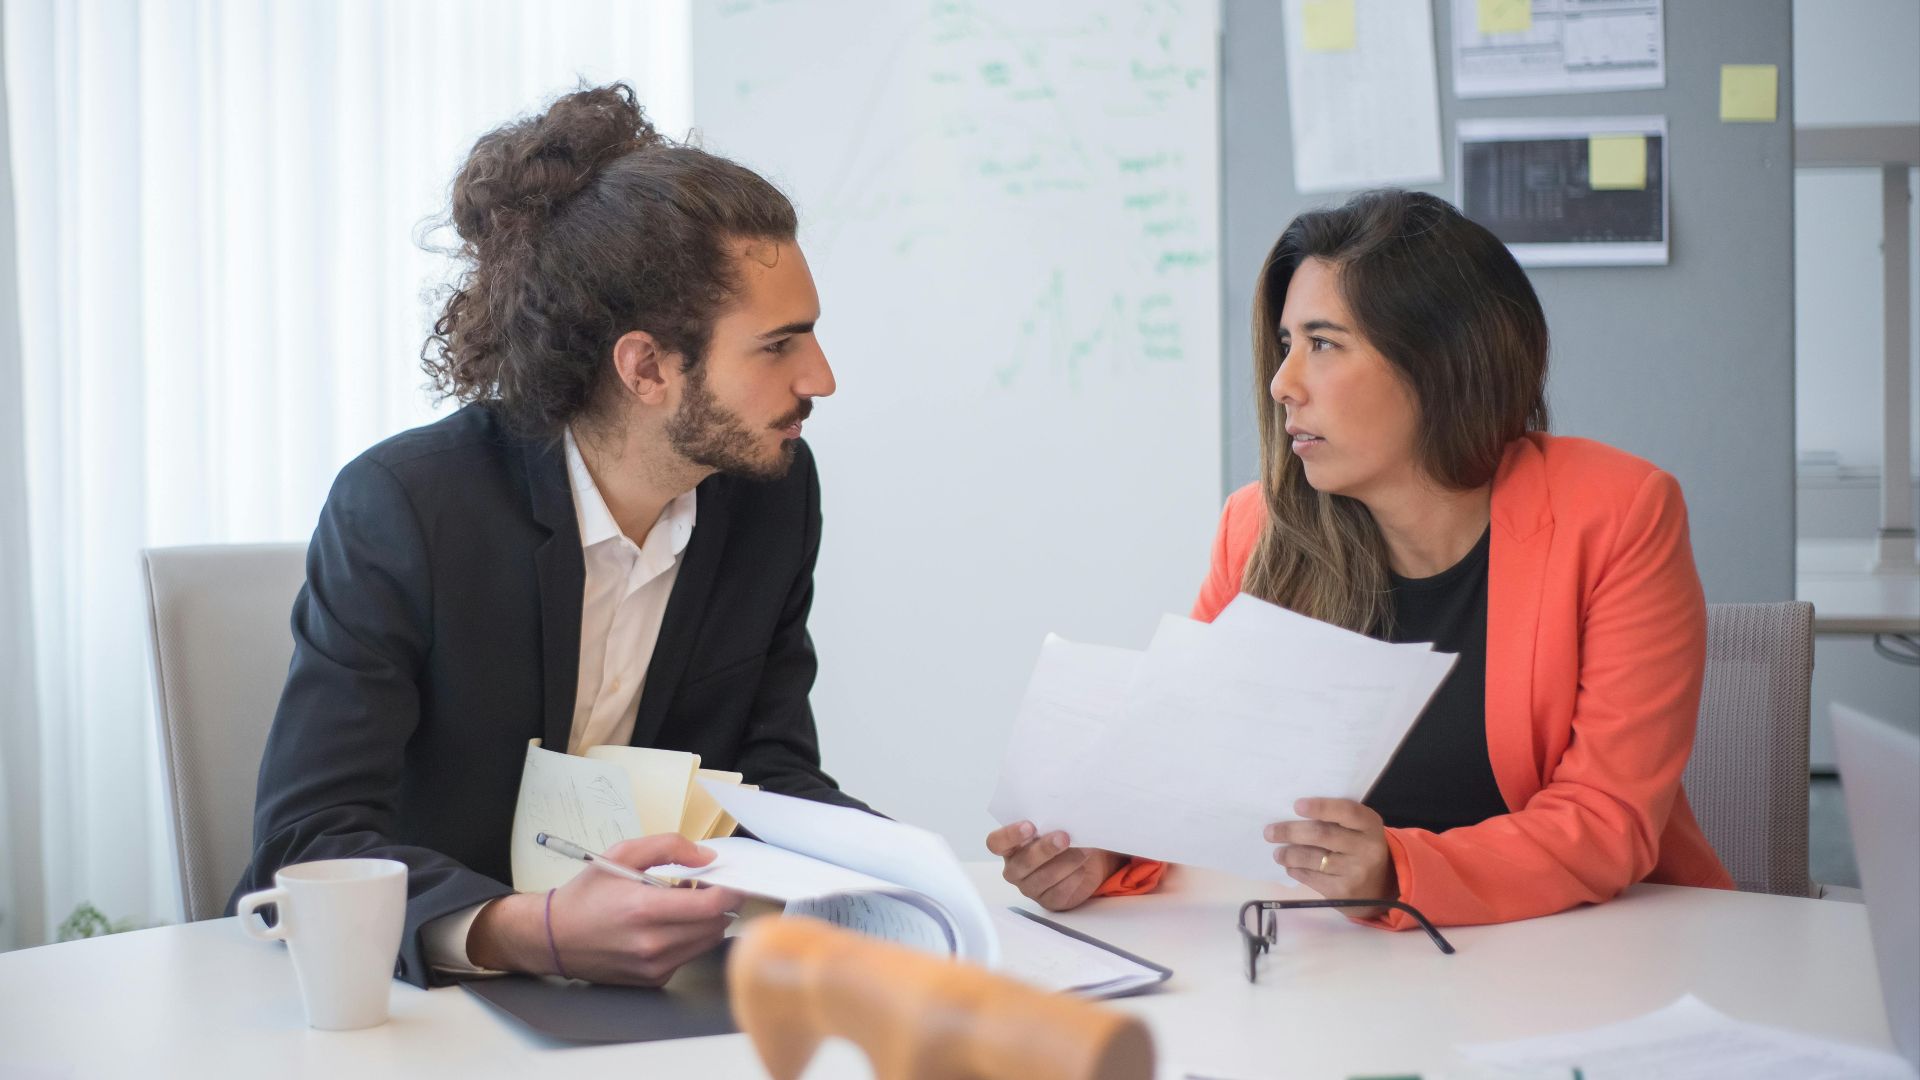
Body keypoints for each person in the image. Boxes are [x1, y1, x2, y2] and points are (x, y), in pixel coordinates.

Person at [232, 83, 867, 987]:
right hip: (412, 1004)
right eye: (779, 345)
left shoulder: (768, 494)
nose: (823, 378)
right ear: (646, 366)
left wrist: (924, 882)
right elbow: (310, 840)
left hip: (651, 998)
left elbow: (767, 778)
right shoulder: (407, 507)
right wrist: (532, 931)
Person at [989, 188, 1733, 927]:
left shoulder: (1617, 513)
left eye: (1323, 343)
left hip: (1592, 949)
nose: (1283, 384)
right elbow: (1191, 775)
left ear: (1439, 362)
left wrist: (1396, 871)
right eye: (1286, 345)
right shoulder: (1257, 527)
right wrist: (1102, 855)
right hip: (1344, 969)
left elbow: (1607, 819)